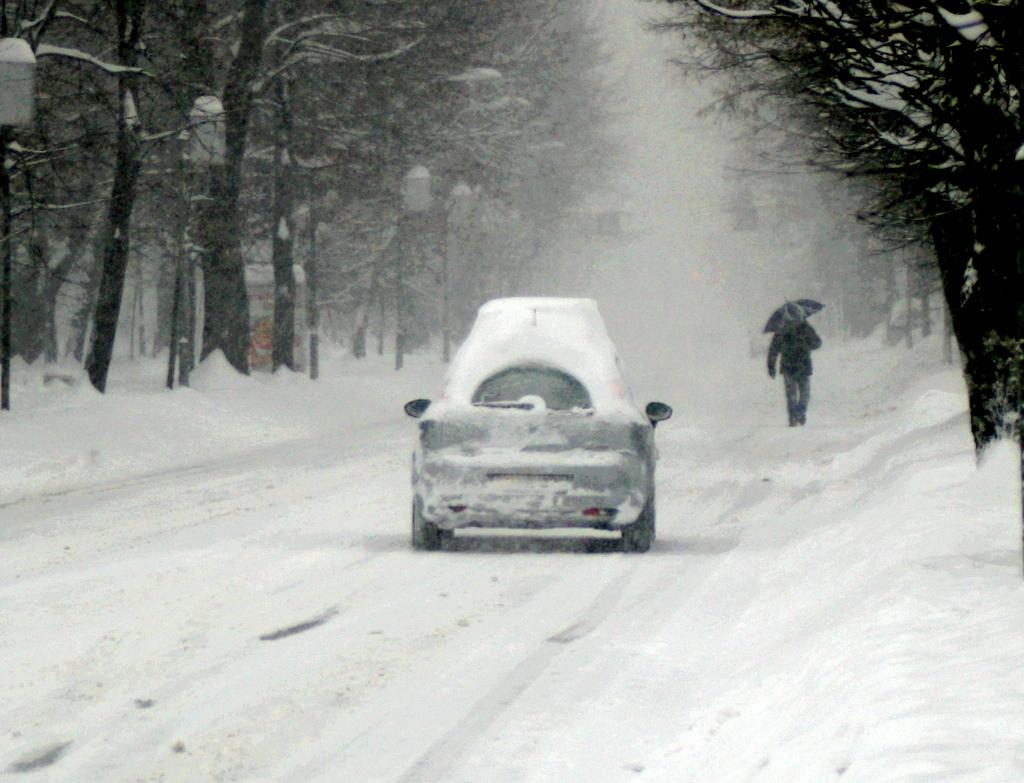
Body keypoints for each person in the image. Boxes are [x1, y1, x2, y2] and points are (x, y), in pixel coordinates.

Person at [767, 319, 822, 426]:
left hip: (788, 366)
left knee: (790, 393)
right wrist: (807, 345)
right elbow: (817, 343)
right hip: (803, 365)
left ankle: (792, 416)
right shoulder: (805, 327)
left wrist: (771, 366)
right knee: (804, 392)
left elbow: (773, 350)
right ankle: (801, 411)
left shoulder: (781, 330)